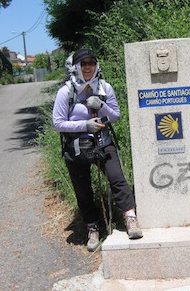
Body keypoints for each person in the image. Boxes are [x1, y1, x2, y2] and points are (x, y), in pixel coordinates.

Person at [52, 47, 143, 252]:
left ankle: (130, 218)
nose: (87, 67)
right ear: (76, 66)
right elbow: (58, 123)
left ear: (96, 65)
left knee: (117, 178)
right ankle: (92, 228)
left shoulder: (104, 88)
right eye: (83, 63)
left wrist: (101, 105)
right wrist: (85, 126)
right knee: (83, 190)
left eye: (91, 63)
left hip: (102, 141)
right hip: (77, 146)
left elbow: (115, 116)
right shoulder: (66, 91)